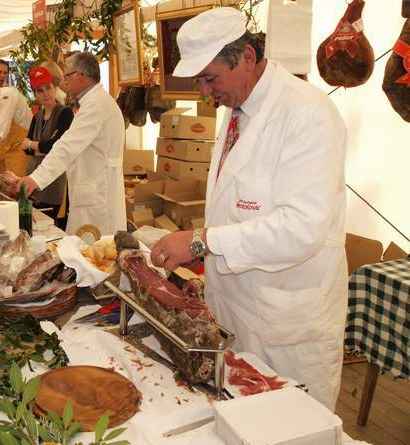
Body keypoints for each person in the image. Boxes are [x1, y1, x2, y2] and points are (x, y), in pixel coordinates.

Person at [149, 8, 347, 410]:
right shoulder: (238, 106)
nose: (205, 92)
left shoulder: (305, 112)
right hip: (238, 310)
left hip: (286, 323)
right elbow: (236, 207)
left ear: (247, 58)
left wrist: (202, 242)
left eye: (210, 78)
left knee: (287, 425)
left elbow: (301, 229)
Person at [18, 52, 126, 236]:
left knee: (94, 252)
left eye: (67, 76)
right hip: (96, 186)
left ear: (80, 76)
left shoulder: (95, 105)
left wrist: (36, 179)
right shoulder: (96, 102)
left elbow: (66, 146)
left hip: (98, 193)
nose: (64, 82)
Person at [22, 66, 73, 229]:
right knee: (34, 224)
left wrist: (33, 145)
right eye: (40, 90)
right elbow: (25, 148)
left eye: (48, 87)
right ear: (35, 94)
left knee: (49, 225)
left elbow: (56, 147)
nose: (45, 93)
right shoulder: (37, 117)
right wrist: (38, 147)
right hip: (33, 175)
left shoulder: (65, 113)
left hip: (54, 179)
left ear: (54, 87)